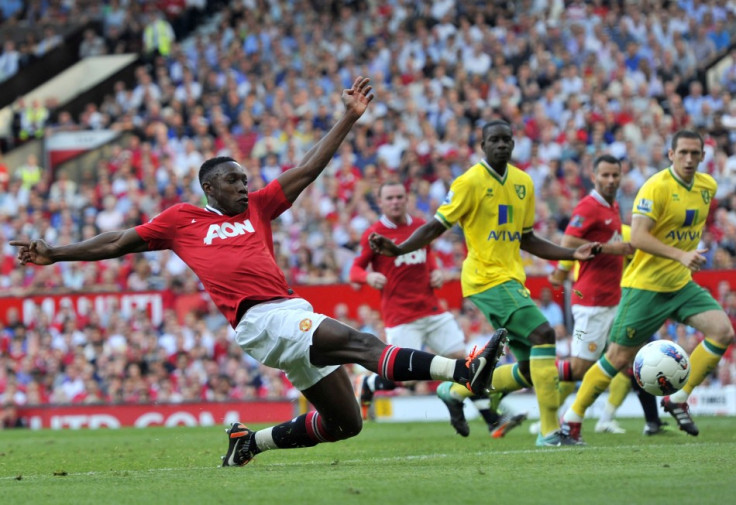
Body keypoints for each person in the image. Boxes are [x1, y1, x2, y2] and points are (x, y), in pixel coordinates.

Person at [10, 77, 508, 467]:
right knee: (361, 343)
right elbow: (118, 241)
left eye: (246, 179)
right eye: (233, 181)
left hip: (289, 313)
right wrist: (57, 252)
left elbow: (307, 170)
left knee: (345, 424)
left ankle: (250, 443)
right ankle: (463, 370)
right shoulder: (182, 220)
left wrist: (347, 119)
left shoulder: (259, 209)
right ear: (209, 186)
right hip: (259, 320)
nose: (244, 186)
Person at [369, 119, 601, 447]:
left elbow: (528, 239)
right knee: (544, 333)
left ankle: (456, 389)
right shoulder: (469, 182)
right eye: (495, 140)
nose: (502, 145)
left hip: (511, 279)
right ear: (483, 145)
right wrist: (398, 248)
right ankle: (550, 432)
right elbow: (436, 225)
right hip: (484, 279)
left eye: (507, 140)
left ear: (514, 143)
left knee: (527, 366)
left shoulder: (523, 183)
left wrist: (573, 253)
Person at [561, 129, 735, 443]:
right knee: (617, 358)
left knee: (722, 332)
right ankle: (572, 419)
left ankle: (677, 398)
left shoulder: (707, 186)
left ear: (702, 156)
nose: (689, 159)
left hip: (681, 285)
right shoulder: (655, 187)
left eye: (695, 153)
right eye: (682, 152)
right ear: (670, 154)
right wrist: (680, 254)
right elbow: (638, 237)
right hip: (645, 288)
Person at [349, 181, 525, 437]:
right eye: (390, 198)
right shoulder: (374, 234)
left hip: (432, 310)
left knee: (465, 363)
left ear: (406, 198)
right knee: (405, 378)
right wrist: (368, 278)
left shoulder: (420, 226)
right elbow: (355, 269)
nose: (395, 201)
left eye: (399, 196)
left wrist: (436, 271)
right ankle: (367, 383)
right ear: (381, 202)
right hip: (401, 316)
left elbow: (427, 254)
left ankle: (492, 420)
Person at [548, 154, 665, 436]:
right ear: (594, 176)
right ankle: (531, 373)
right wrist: (611, 248)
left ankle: (653, 422)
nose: (611, 180)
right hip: (592, 302)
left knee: (637, 357)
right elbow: (568, 242)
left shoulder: (612, 206)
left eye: (615, 175)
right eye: (605, 175)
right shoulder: (589, 206)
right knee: (578, 369)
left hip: (615, 300)